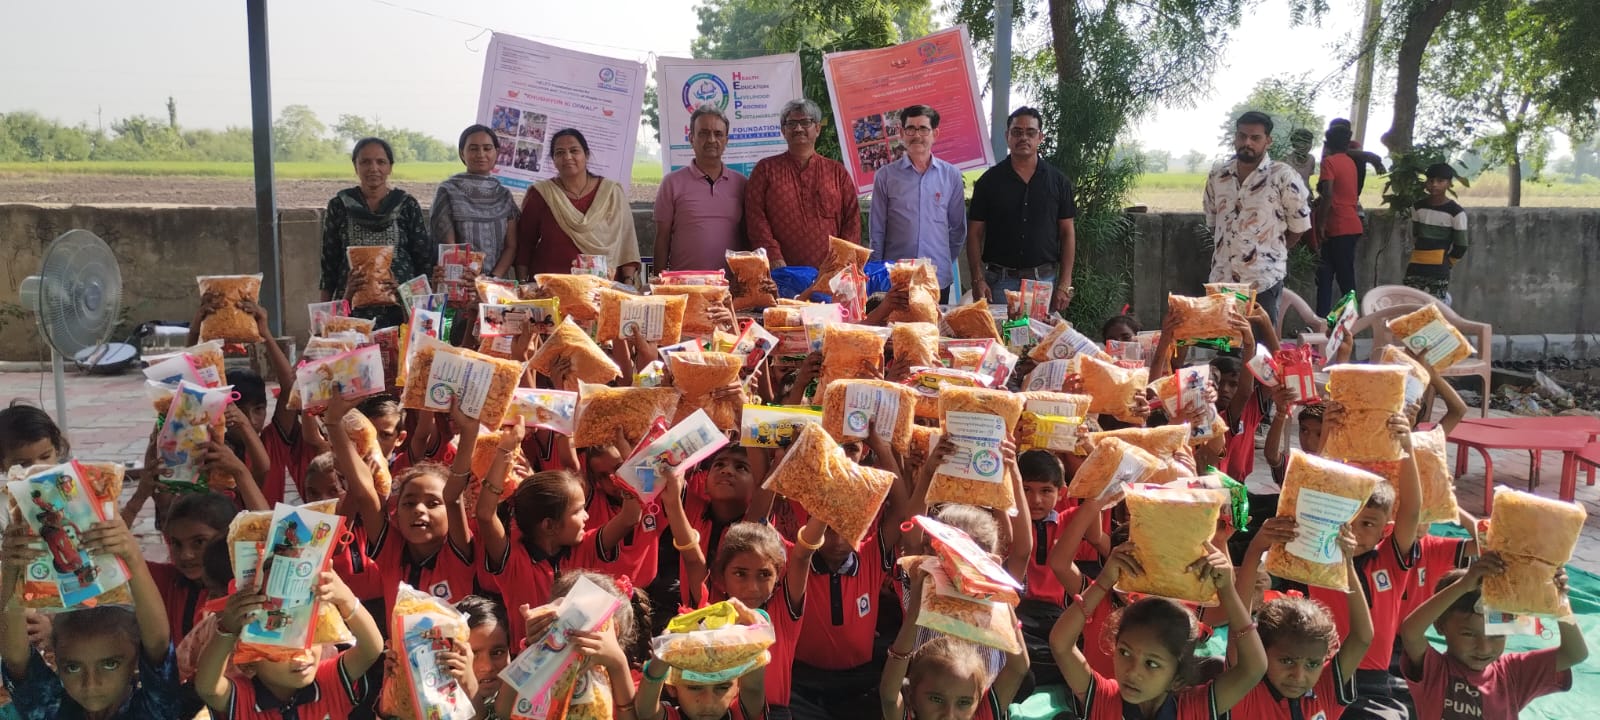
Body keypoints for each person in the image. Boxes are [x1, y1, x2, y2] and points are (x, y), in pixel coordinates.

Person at [1047, 542, 1266, 719]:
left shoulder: (1194, 710)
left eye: (1152, 663)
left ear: (1177, 678)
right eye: (1124, 652)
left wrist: (1227, 590)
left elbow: (1254, 668)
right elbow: (1060, 643)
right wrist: (1104, 581)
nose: (1132, 672)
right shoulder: (1104, 699)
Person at [1, 515, 184, 720]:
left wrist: (132, 558)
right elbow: (15, 659)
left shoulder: (154, 709)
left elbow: (158, 643)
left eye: (110, 664)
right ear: (56, 660)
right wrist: (12, 569)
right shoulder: (52, 709)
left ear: (136, 659)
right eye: (72, 667)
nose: (91, 684)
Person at [1401, 559, 1587, 719]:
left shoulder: (1513, 674)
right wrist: (1463, 586)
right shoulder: (1434, 670)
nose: (1484, 648)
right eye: (1468, 634)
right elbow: (1410, 632)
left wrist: (1560, 602)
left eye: (1496, 635)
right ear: (1440, 626)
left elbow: (1575, 654)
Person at [1202, 111, 1312, 323]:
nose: (1247, 143)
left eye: (1255, 138)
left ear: (1268, 141)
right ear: (1235, 138)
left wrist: (1269, 254)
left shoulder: (1283, 176)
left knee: (1260, 342)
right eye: (1242, 136)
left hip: (1263, 281)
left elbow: (1298, 226)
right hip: (1222, 279)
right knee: (1222, 342)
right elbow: (1213, 221)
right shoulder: (1218, 174)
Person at [967, 107, 1076, 314]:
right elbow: (974, 234)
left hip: (1043, 282)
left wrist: (1065, 283)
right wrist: (977, 279)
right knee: (1000, 335)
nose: (1023, 138)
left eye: (1030, 132)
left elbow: (1067, 232)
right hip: (999, 283)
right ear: (1007, 136)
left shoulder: (1058, 182)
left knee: (1039, 335)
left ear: (1040, 137)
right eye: (1017, 132)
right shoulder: (988, 182)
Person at [319, 137, 433, 327]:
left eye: (381, 162)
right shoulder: (340, 205)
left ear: (390, 167)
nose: (373, 168)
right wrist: (324, 321)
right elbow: (329, 265)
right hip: (352, 309)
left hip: (400, 309)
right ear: (355, 166)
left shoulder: (406, 204)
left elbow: (423, 261)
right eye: (365, 162)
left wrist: (410, 298)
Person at [745, 98, 861, 269]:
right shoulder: (765, 170)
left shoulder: (837, 172)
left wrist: (841, 261)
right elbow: (755, 218)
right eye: (791, 123)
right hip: (781, 273)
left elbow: (852, 220)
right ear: (783, 131)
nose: (798, 128)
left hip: (831, 273)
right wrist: (773, 256)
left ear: (818, 128)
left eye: (805, 122)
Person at [516, 128, 642, 283]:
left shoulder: (611, 192)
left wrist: (628, 281)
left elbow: (627, 242)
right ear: (553, 160)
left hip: (603, 288)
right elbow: (524, 244)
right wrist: (522, 285)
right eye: (560, 152)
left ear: (586, 155)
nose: (567, 157)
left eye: (574, 151)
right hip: (552, 287)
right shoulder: (541, 194)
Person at [868, 104, 967, 300]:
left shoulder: (951, 176)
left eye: (923, 129)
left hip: (936, 278)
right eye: (910, 129)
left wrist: (943, 260)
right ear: (902, 134)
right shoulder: (885, 176)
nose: (916, 135)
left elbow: (958, 229)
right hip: (895, 278)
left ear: (935, 134)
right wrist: (878, 272)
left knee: (934, 321)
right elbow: (877, 230)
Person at [654, 105, 748, 273]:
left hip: (731, 284)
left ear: (726, 140)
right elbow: (662, 238)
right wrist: (658, 281)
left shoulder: (742, 184)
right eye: (703, 133)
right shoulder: (672, 183)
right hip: (684, 283)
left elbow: (748, 236)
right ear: (691, 138)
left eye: (718, 134)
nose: (711, 140)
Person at [430, 124, 519, 279]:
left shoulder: (504, 195)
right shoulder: (448, 190)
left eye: (487, 148)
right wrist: (467, 281)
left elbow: (511, 246)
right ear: (462, 153)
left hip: (495, 284)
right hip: (458, 281)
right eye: (473, 148)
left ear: (497, 152)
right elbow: (449, 248)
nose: (481, 154)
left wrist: (491, 280)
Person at [1315, 124, 1365, 316]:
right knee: (1335, 276)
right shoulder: (1350, 162)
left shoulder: (1329, 162)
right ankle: (1339, 321)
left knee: (1334, 278)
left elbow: (1328, 193)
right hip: (1351, 225)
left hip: (1337, 225)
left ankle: (1332, 320)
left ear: (1327, 144)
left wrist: (1321, 223)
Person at [1403, 163, 1469, 303]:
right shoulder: (1417, 207)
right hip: (1415, 265)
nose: (1434, 185)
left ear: (1449, 184)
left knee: (1435, 307)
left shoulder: (1456, 212)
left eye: (1440, 181)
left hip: (1439, 269)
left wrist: (1447, 263)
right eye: (1431, 180)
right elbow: (1416, 235)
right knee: (1409, 303)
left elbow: (1461, 245)